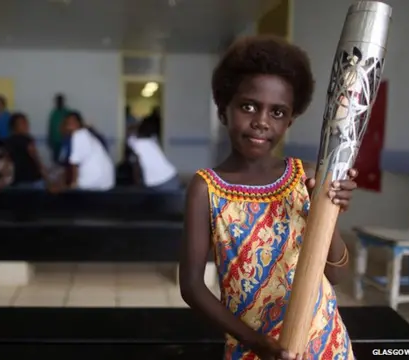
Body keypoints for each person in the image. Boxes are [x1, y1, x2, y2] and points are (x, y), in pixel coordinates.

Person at [178, 35, 358, 360]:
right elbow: (191, 286)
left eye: (277, 112)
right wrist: (258, 343)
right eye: (249, 106)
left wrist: (326, 213)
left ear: (289, 121)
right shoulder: (206, 188)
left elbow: (336, 275)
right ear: (223, 111)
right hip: (253, 348)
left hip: (325, 343)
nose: (261, 121)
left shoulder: (305, 177)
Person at [63, 111, 115, 191]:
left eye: (72, 122)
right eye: (68, 123)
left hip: (93, 182)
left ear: (79, 123)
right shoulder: (87, 134)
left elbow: (74, 164)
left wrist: (73, 185)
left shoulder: (78, 135)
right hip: (107, 182)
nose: (69, 125)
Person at [127, 120, 180, 191]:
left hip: (159, 183)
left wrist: (137, 185)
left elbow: (136, 169)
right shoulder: (151, 141)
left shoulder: (136, 144)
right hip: (172, 177)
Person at [3, 112, 46, 189]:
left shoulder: (8, 141)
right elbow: (35, 158)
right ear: (14, 126)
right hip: (31, 179)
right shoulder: (27, 140)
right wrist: (46, 177)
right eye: (23, 123)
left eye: (26, 122)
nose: (27, 125)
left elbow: (7, 162)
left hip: (18, 180)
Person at [47, 93, 70, 163]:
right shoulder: (53, 113)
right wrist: (49, 140)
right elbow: (50, 127)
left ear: (63, 102)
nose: (59, 103)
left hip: (65, 142)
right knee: (56, 161)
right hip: (55, 142)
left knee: (65, 161)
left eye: (60, 101)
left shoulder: (67, 112)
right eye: (57, 101)